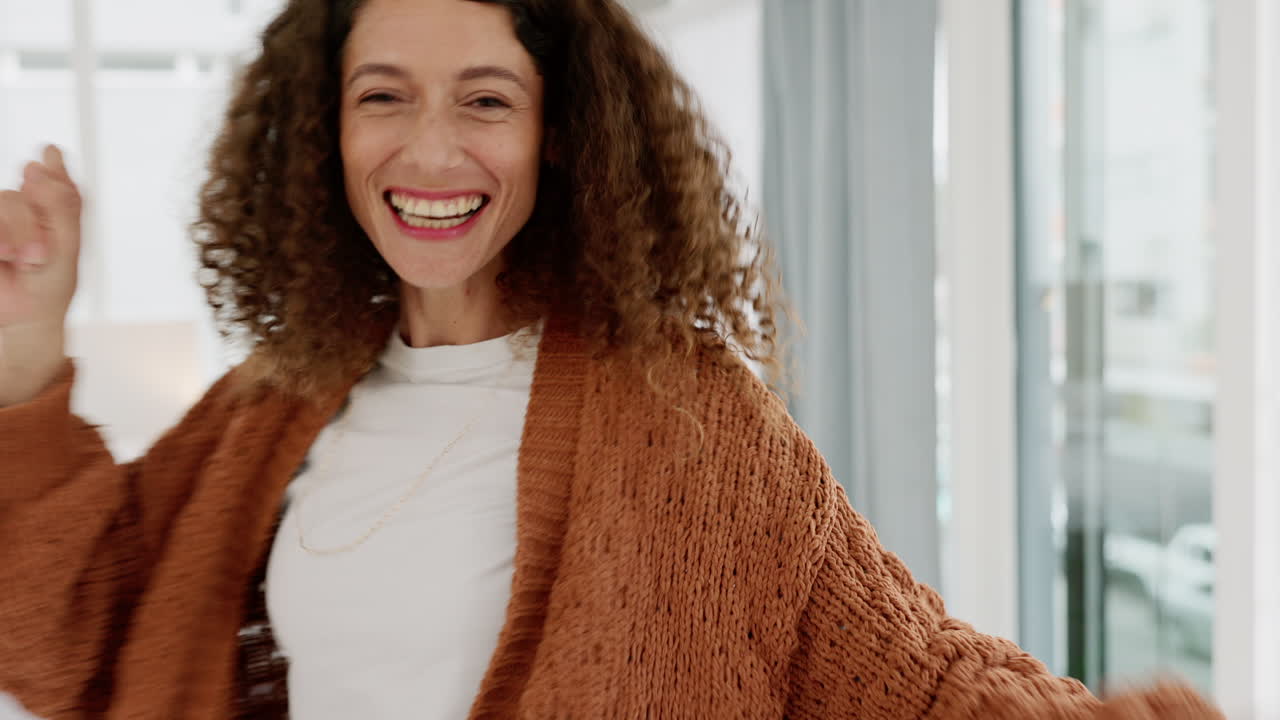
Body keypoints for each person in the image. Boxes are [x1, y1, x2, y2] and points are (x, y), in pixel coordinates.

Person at [0, 0, 1223, 718]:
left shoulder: (687, 418)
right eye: (383, 96)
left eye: (485, 100)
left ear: (560, 133)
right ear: (322, 133)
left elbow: (919, 685)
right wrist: (26, 347)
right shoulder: (265, 406)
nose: (430, 151)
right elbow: (70, 643)